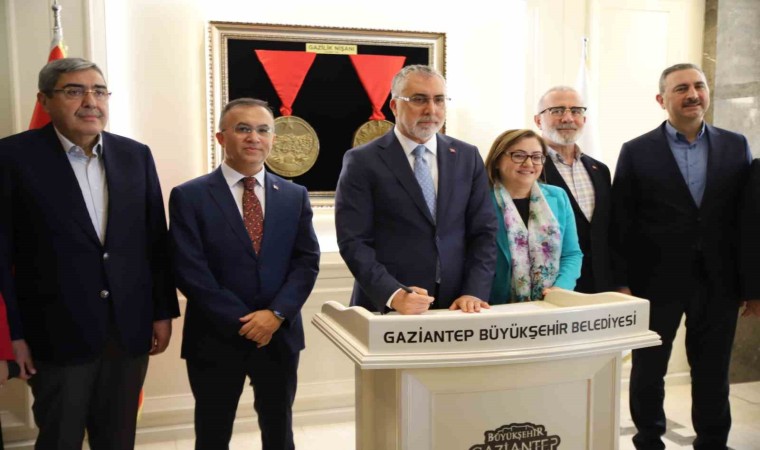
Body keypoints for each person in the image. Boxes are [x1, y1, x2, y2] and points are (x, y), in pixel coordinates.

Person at [0, 57, 179, 449]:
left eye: (99, 91)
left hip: (128, 329)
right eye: (74, 91)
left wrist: (162, 312)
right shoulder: (11, 157)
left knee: (118, 439)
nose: (90, 101)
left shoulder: (136, 155)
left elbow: (155, 242)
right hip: (54, 333)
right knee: (60, 438)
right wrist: (13, 336)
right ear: (44, 101)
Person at [610, 63, 759, 450]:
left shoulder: (736, 145)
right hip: (654, 281)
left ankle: (713, 442)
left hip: (720, 282)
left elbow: (748, 221)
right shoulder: (636, 151)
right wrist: (620, 283)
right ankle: (648, 440)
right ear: (661, 99)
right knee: (649, 369)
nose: (693, 94)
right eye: (681, 88)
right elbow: (621, 223)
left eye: (699, 85)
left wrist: (752, 287)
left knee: (713, 371)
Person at [169, 98, 320, 450]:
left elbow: (306, 261)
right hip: (215, 337)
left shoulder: (294, 195)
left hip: (278, 336)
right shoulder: (190, 196)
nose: (254, 137)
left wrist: (275, 315)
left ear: (273, 139)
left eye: (263, 129)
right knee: (212, 433)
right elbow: (190, 269)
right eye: (243, 129)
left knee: (279, 430)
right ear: (221, 138)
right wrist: (246, 323)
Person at [335, 64, 497, 315]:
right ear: (394, 106)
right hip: (389, 306)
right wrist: (393, 294)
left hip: (458, 305)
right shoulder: (362, 161)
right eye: (419, 99)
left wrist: (474, 291)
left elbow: (484, 233)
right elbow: (353, 241)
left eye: (439, 100)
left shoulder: (467, 156)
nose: (431, 109)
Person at [483, 129, 582, 303]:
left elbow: (572, 253)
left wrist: (560, 288)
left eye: (536, 157)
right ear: (497, 160)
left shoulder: (558, 196)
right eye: (519, 155)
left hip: (550, 303)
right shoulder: (481, 200)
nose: (529, 163)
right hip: (494, 305)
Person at [534, 86, 612, 293]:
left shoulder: (600, 170)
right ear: (538, 120)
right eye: (557, 110)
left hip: (601, 284)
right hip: (552, 286)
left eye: (576, 111)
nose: (568, 118)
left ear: (584, 120)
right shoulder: (529, 169)